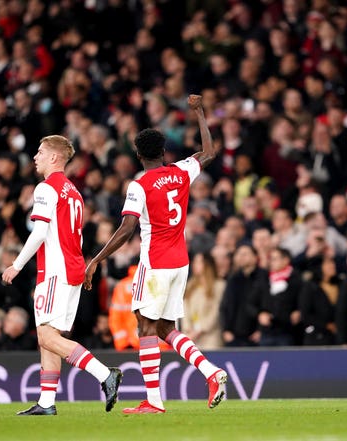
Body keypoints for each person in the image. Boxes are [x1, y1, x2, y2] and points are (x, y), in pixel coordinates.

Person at [84, 94, 227, 414]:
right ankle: (211, 372)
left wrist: (95, 259)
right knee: (164, 328)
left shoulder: (140, 185)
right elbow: (209, 152)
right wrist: (200, 111)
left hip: (156, 262)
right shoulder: (181, 171)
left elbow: (126, 228)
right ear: (163, 151)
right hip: (181, 262)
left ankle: (154, 401)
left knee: (145, 328)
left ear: (137, 154)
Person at [2, 134, 122, 416]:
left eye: (41, 152)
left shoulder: (46, 189)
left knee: (46, 336)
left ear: (55, 158)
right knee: (50, 335)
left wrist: (16, 264)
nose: (36, 157)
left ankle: (105, 374)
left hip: (55, 270)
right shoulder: (74, 192)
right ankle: (46, 402)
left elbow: (40, 232)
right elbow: (74, 237)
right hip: (72, 269)